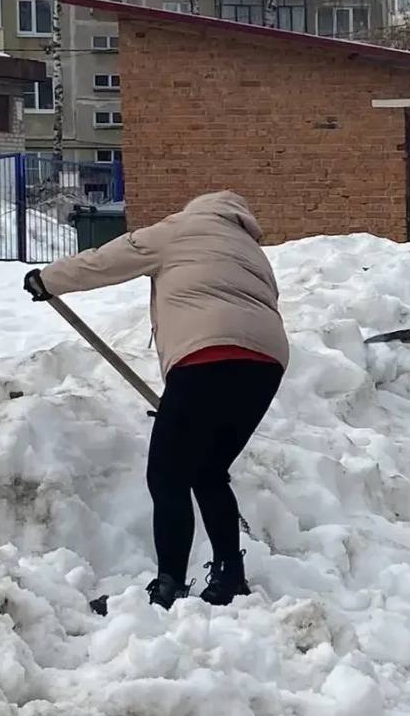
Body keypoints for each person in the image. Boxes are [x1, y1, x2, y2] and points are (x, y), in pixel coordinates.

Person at [24, 190, 290, 609]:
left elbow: (107, 260)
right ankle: (229, 577)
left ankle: (168, 588)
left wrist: (47, 280)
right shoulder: (251, 251)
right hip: (265, 364)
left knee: (168, 476)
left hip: (204, 354)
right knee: (209, 471)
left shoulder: (179, 229)